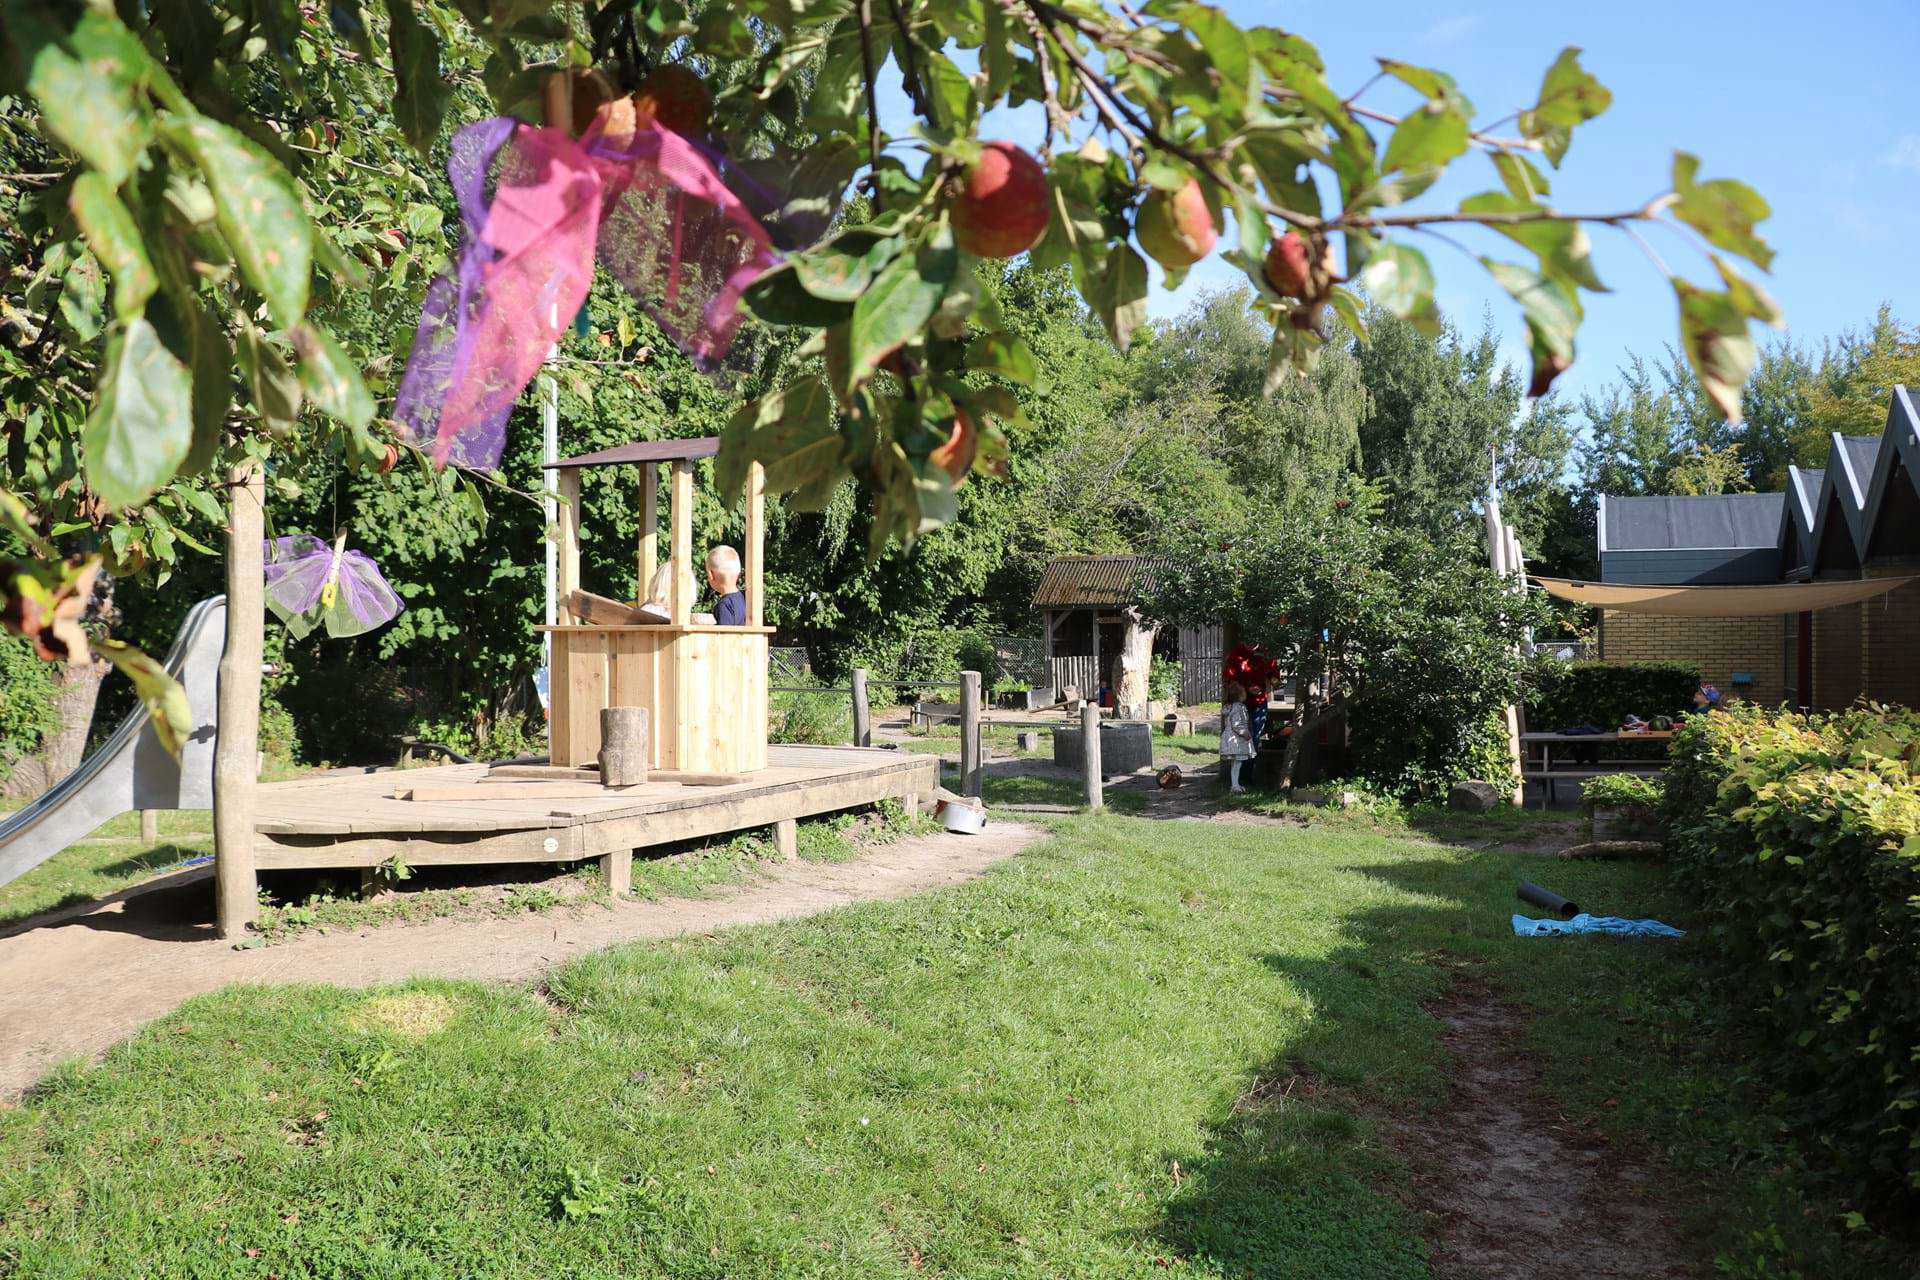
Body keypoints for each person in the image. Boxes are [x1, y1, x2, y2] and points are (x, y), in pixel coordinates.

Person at [1219, 681, 1255, 793]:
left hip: (1229, 737)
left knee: (1235, 764)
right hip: (1236, 740)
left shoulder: (1228, 707)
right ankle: (1235, 785)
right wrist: (1245, 733)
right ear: (1240, 695)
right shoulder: (1239, 707)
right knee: (1237, 763)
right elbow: (1237, 724)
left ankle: (1235, 784)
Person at [707, 545, 745, 626]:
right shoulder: (744, 600)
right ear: (738, 574)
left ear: (711, 575)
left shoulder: (724, 606)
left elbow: (724, 637)